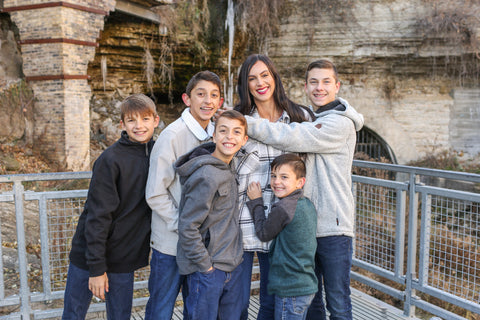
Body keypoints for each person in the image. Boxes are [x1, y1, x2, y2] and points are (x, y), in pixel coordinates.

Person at [242, 59, 364, 320]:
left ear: (337, 86)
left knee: (338, 302)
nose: (319, 88)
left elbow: (292, 136)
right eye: (313, 82)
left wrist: (244, 122)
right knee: (311, 302)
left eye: (326, 82)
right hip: (304, 228)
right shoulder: (311, 116)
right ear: (305, 87)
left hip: (333, 227)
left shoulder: (339, 124)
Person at [62, 93, 160, 320]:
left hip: (123, 258)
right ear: (122, 124)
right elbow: (98, 216)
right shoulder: (110, 160)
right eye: (132, 120)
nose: (139, 126)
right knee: (73, 315)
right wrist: (96, 269)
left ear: (155, 121)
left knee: (120, 316)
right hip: (88, 255)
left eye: (145, 119)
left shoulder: (160, 153)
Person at [234, 53, 313, 319]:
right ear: (245, 84)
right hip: (242, 220)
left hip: (279, 224)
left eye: (264, 75)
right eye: (251, 78)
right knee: (237, 302)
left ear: (274, 77)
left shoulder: (298, 116)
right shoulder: (238, 119)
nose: (259, 83)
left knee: (271, 301)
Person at [144, 70, 223, 319]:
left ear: (220, 102)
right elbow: (155, 193)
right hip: (171, 242)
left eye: (214, 95)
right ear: (187, 99)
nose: (207, 101)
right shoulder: (172, 136)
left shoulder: (218, 135)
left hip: (202, 245)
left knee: (196, 308)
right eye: (200, 94)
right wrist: (184, 225)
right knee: (161, 309)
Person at [175, 110, 248, 319]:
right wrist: (205, 266)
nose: (229, 137)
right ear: (214, 136)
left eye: (236, 132)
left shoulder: (230, 168)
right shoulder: (206, 175)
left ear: (244, 140)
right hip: (209, 270)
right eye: (223, 131)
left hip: (232, 265)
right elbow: (188, 225)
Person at [246, 153, 317, 320]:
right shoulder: (306, 204)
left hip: (290, 289)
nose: (276, 182)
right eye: (273, 176)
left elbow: (264, 233)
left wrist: (256, 201)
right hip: (305, 286)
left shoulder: (284, 208)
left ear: (301, 182)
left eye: (284, 177)